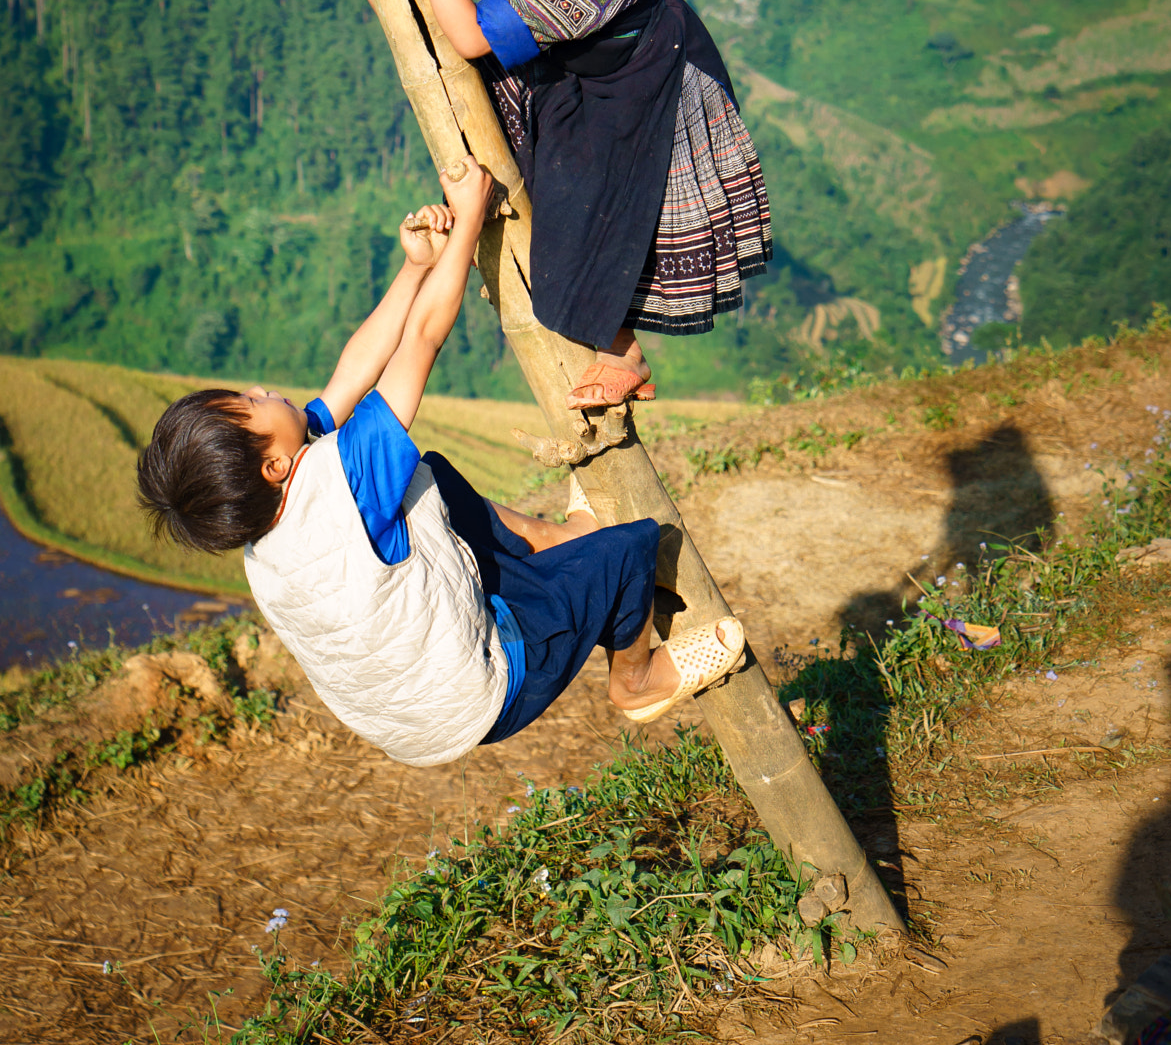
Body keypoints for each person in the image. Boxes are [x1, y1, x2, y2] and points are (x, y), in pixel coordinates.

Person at [136, 161, 744, 768]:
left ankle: (555, 541)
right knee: (630, 548)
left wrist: (416, 265)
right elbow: (421, 337)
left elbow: (351, 376)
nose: (259, 390)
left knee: (428, 478)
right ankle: (636, 681)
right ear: (272, 466)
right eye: (248, 405)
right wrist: (470, 217)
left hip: (412, 718)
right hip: (490, 689)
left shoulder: (265, 531)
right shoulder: (348, 481)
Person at [339, 0, 772, 411]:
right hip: (575, 71)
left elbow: (469, 40)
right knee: (542, 189)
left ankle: (621, 353)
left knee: (576, 220)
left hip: (639, 77)